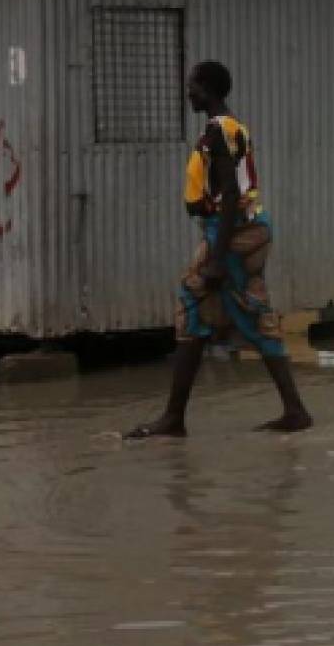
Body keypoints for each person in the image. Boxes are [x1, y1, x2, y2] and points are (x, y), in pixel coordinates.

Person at [127, 61, 312, 438]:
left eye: (192, 86)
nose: (188, 93)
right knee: (234, 311)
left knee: (205, 303)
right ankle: (291, 411)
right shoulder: (229, 128)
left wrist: (216, 258)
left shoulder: (219, 132)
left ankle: (174, 419)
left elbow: (230, 193)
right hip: (239, 231)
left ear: (207, 88)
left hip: (234, 234)